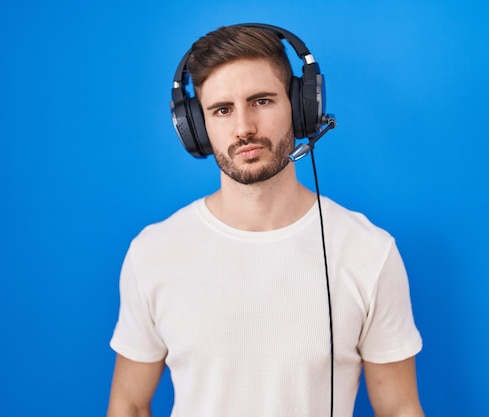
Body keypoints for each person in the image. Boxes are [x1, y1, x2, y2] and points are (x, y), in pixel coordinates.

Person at [107, 24, 424, 417]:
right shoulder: (152, 253)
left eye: (261, 101)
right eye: (222, 110)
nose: (243, 128)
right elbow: (129, 405)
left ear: (301, 106)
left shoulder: (369, 252)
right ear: (196, 128)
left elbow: (399, 409)